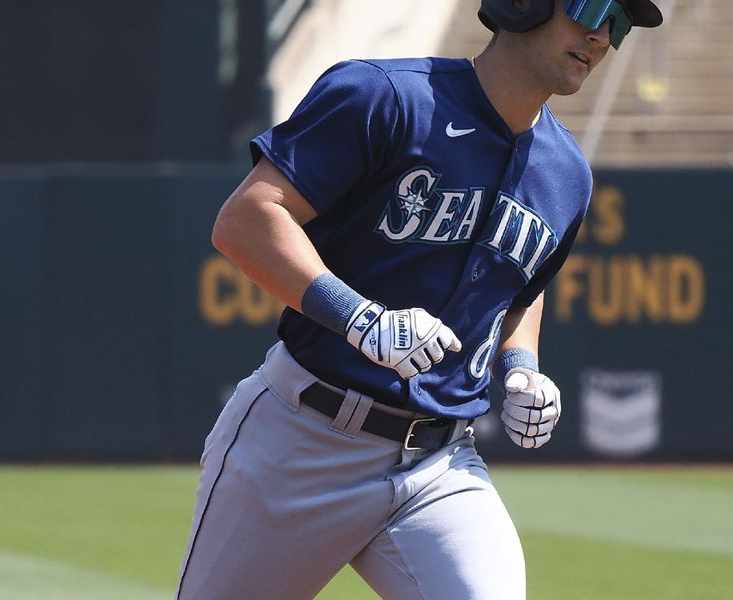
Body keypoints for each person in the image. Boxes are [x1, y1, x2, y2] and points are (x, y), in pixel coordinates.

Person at [175, 1, 663, 598]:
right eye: (592, 6)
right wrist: (359, 318)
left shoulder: (567, 173)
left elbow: (520, 289)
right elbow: (247, 220)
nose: (601, 35)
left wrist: (520, 369)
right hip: (301, 438)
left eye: (620, 23)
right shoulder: (385, 97)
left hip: (441, 464)